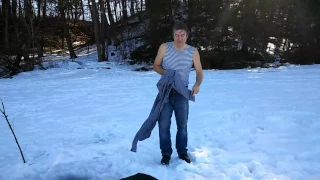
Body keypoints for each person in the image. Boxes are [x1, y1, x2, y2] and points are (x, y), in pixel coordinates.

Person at [153, 21, 203, 165]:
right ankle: (166, 154)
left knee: (182, 126)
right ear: (173, 35)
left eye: (182, 35)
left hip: (182, 93)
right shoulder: (164, 47)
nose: (179, 38)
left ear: (187, 36)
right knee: (163, 125)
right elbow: (156, 65)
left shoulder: (193, 51)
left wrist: (197, 84)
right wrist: (168, 74)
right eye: (176, 35)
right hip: (166, 91)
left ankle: (182, 152)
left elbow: (199, 71)